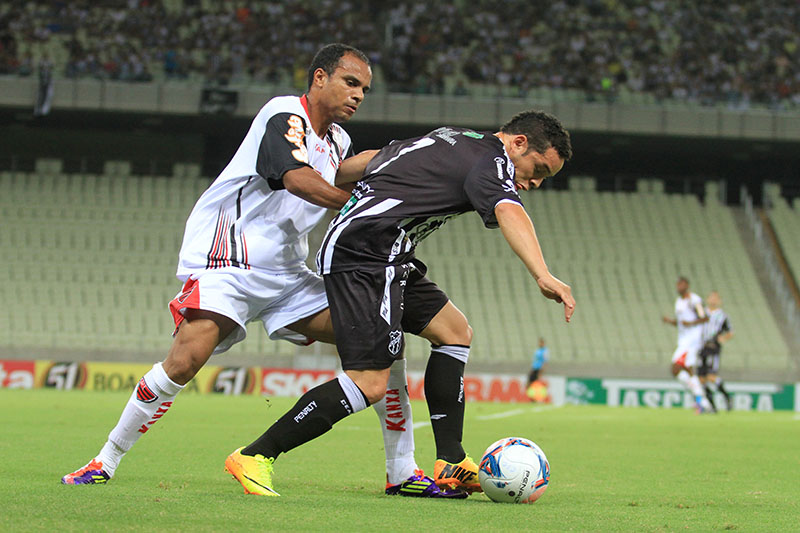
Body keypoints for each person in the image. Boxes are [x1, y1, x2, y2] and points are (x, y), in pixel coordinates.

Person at [61, 43, 459, 499]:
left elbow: (348, 172)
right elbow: (296, 177)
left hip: (287, 276)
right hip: (226, 262)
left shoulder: (338, 142)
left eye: (365, 89)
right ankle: (104, 461)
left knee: (379, 339)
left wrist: (414, 159)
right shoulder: (285, 114)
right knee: (184, 362)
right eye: (351, 83)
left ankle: (402, 471)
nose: (359, 95)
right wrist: (361, 203)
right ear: (319, 79)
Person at [225, 110, 575, 497]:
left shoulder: (453, 137)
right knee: (369, 383)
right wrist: (542, 273)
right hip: (364, 254)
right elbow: (508, 209)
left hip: (387, 253)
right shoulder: (492, 161)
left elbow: (377, 157)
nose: (536, 183)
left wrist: (331, 177)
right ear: (519, 143)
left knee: (454, 331)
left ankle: (452, 460)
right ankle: (256, 454)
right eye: (538, 169)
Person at [662, 276, 709, 413]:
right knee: (686, 371)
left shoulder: (694, 300)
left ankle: (701, 401)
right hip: (683, 341)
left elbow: (705, 317)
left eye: (681, 284)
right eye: (677, 284)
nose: (678, 287)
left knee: (677, 368)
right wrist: (670, 321)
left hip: (692, 341)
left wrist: (691, 323)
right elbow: (681, 322)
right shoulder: (678, 302)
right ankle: (702, 401)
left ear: (687, 285)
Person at [698, 291, 734, 412]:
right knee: (701, 379)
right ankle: (712, 406)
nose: (713, 300)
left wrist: (723, 339)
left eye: (716, 298)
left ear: (719, 301)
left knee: (711, 376)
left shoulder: (722, 316)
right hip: (700, 348)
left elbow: (730, 332)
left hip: (713, 348)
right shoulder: (701, 312)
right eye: (711, 298)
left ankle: (727, 396)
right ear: (707, 299)